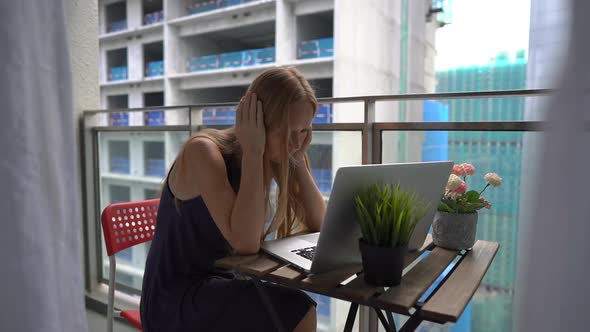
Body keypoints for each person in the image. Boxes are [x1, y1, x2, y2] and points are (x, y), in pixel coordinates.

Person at [140, 66, 327, 331]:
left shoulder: (277, 152)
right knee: (298, 310)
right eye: (288, 133)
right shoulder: (203, 150)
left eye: (304, 132)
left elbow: (320, 222)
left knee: (290, 309)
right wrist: (253, 151)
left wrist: (296, 160)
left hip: (220, 284)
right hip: (174, 298)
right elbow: (246, 244)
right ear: (259, 124)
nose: (296, 143)